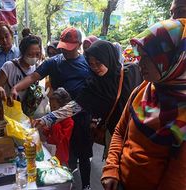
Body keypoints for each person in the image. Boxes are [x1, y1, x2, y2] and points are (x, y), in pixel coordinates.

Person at [32, 40, 143, 189]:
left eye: (98, 62)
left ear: (108, 57)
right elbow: (75, 106)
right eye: (91, 63)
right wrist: (48, 118)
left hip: (138, 133)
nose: (95, 67)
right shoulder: (94, 85)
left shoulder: (133, 72)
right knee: (119, 171)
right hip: (115, 134)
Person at [101, 19, 186, 190]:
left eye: (148, 57)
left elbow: (176, 179)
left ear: (173, 60)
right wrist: (111, 169)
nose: (140, 63)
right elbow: (119, 131)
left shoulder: (182, 112)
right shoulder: (144, 89)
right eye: (140, 56)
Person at [11, 27, 93, 190]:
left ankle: (86, 185)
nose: (65, 51)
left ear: (79, 45)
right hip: (58, 116)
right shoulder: (53, 62)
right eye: (63, 47)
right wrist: (16, 88)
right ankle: (63, 182)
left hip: (82, 116)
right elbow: (33, 77)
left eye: (70, 47)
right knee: (61, 151)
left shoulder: (87, 63)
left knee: (83, 153)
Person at [0, 34, 42, 102]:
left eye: (37, 54)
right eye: (30, 54)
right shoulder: (8, 66)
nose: (34, 57)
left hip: (29, 110)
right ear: (23, 52)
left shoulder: (37, 68)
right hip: (12, 108)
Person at [41, 88, 74, 166]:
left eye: (54, 107)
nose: (52, 110)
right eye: (51, 106)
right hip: (50, 151)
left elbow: (58, 139)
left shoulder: (69, 122)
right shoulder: (52, 118)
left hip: (61, 157)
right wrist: (45, 129)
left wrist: (55, 122)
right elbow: (46, 134)